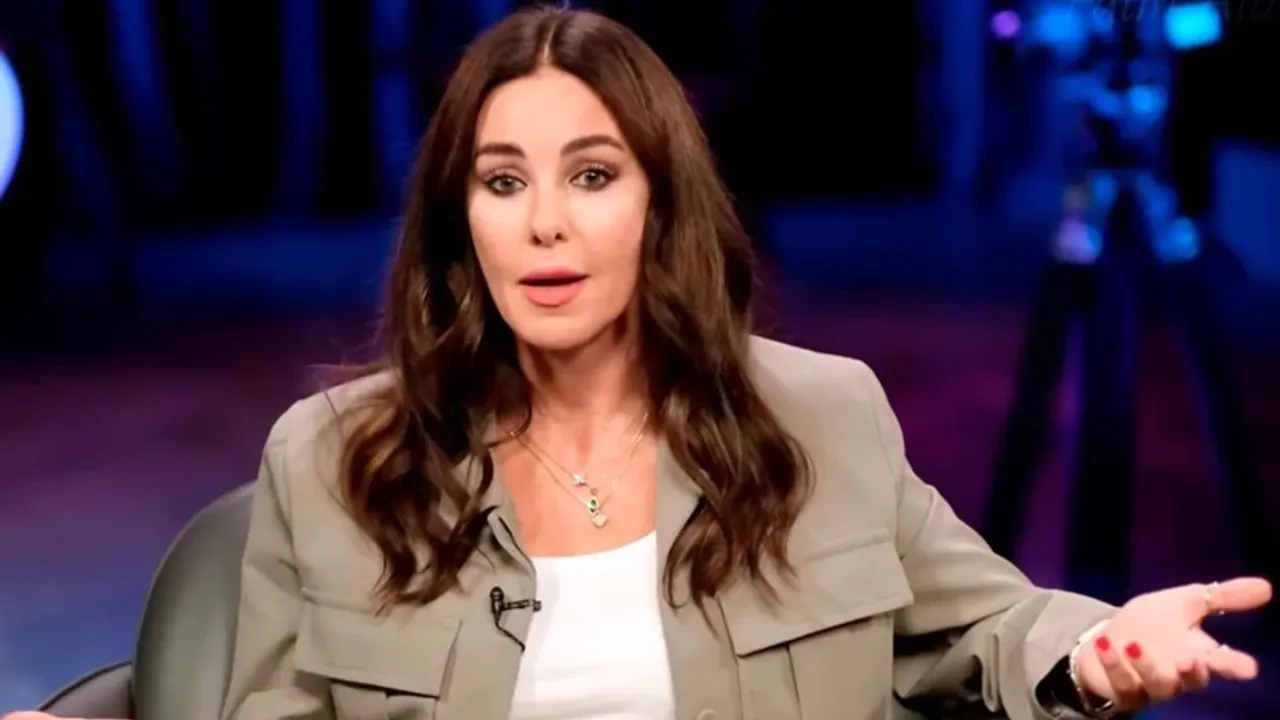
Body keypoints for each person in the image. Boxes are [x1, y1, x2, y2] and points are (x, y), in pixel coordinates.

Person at [8, 6, 1271, 720]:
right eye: (502, 183)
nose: (544, 224)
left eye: (592, 175)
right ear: (458, 221)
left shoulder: (821, 416)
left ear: (660, 205)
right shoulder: (331, 460)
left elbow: (986, 625)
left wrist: (1098, 647)